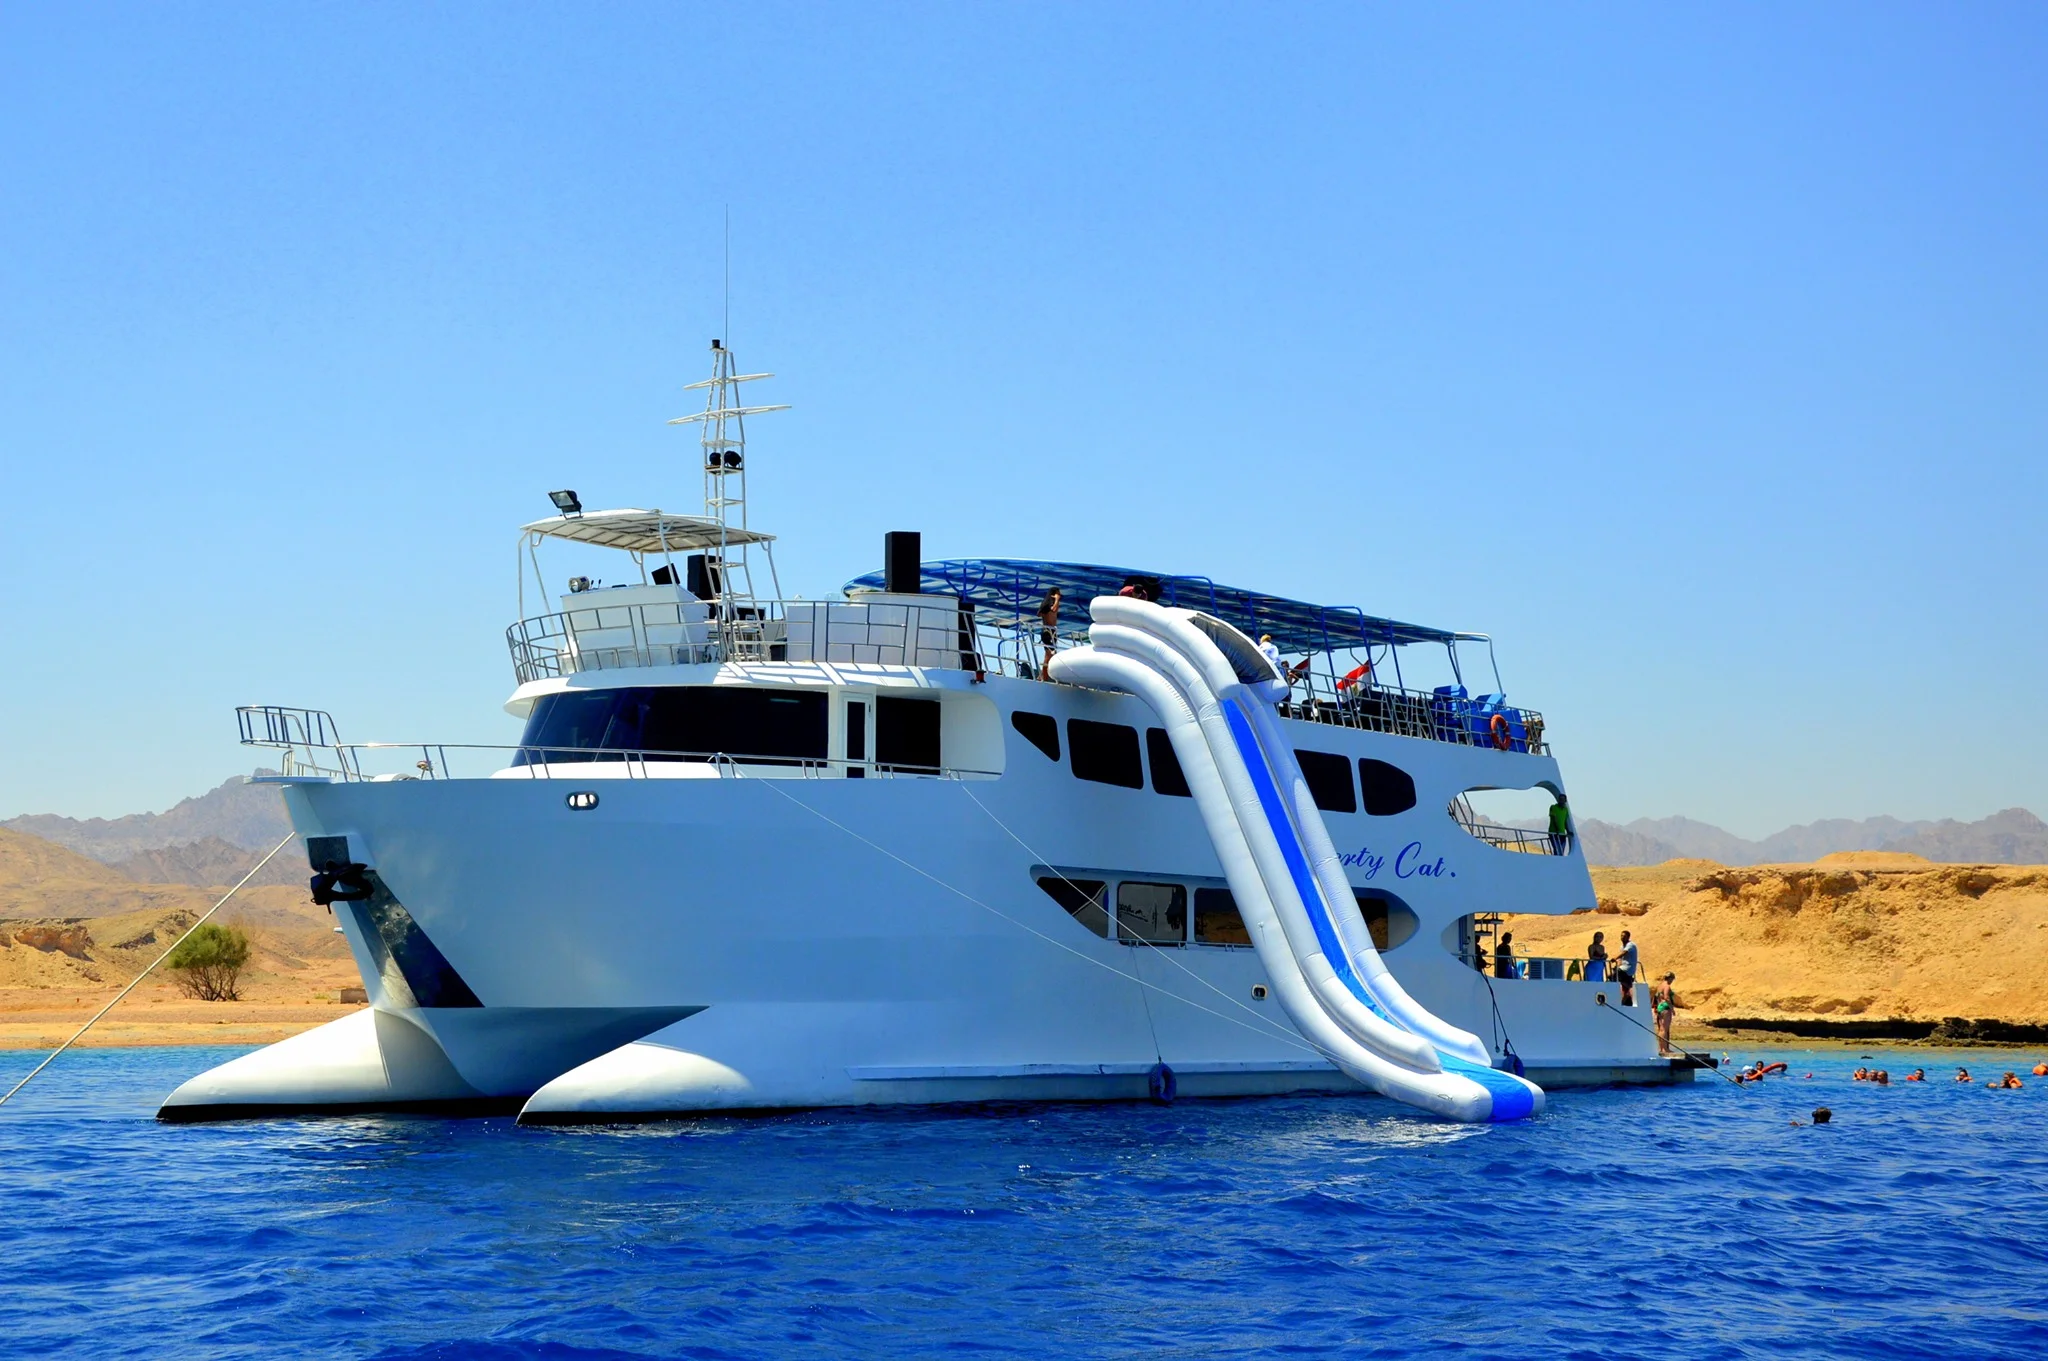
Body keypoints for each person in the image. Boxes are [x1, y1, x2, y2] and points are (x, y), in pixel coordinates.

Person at [1651, 972, 1681, 1056]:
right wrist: (1672, 1008)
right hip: (1665, 1007)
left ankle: (1662, 1048)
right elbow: (1666, 997)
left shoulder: (1660, 986)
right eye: (1672, 979)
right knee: (1664, 1029)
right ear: (1670, 978)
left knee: (1661, 1029)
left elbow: (1657, 997)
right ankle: (1665, 1049)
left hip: (1660, 1007)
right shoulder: (1667, 986)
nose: (1672, 981)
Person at [1037, 588, 1062, 680]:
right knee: (1049, 654)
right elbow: (1053, 610)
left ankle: (1042, 676)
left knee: (1050, 655)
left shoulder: (1050, 604)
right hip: (1048, 631)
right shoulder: (1048, 605)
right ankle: (1043, 677)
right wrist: (1057, 599)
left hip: (1053, 632)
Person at [1615, 929, 1639, 1006]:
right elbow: (1622, 959)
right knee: (1623, 986)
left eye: (1624, 936)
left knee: (1615, 976)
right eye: (1621, 936)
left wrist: (1615, 958)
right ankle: (1626, 1000)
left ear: (1628, 937)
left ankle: (1629, 987)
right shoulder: (1622, 946)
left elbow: (1624, 953)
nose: (1622, 937)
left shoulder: (1630, 945)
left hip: (1628, 968)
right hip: (1623, 967)